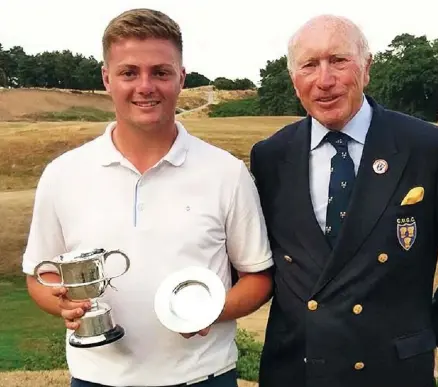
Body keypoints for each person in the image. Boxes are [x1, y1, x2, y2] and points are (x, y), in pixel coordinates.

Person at [250, 14, 438, 387]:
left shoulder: (424, 147)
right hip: (296, 369)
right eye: (310, 65)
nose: (325, 80)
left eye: (339, 61)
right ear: (294, 79)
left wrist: (432, 331)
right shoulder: (271, 156)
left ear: (366, 67)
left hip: (392, 371)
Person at [22, 8, 274, 387]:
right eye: (128, 73)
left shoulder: (226, 173)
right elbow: (40, 276)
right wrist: (61, 303)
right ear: (107, 79)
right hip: (95, 379)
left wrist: (209, 311)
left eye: (160, 72)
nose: (145, 86)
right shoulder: (63, 173)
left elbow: (258, 277)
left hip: (203, 377)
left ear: (181, 78)